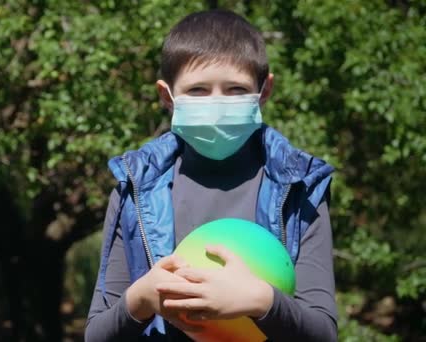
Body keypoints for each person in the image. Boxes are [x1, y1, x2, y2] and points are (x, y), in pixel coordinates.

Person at [85, 8, 337, 342]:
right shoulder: (135, 186)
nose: (216, 104)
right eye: (198, 91)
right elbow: (96, 335)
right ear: (167, 96)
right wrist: (142, 298)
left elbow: (323, 332)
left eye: (235, 89)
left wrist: (262, 301)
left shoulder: (301, 188)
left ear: (264, 91)